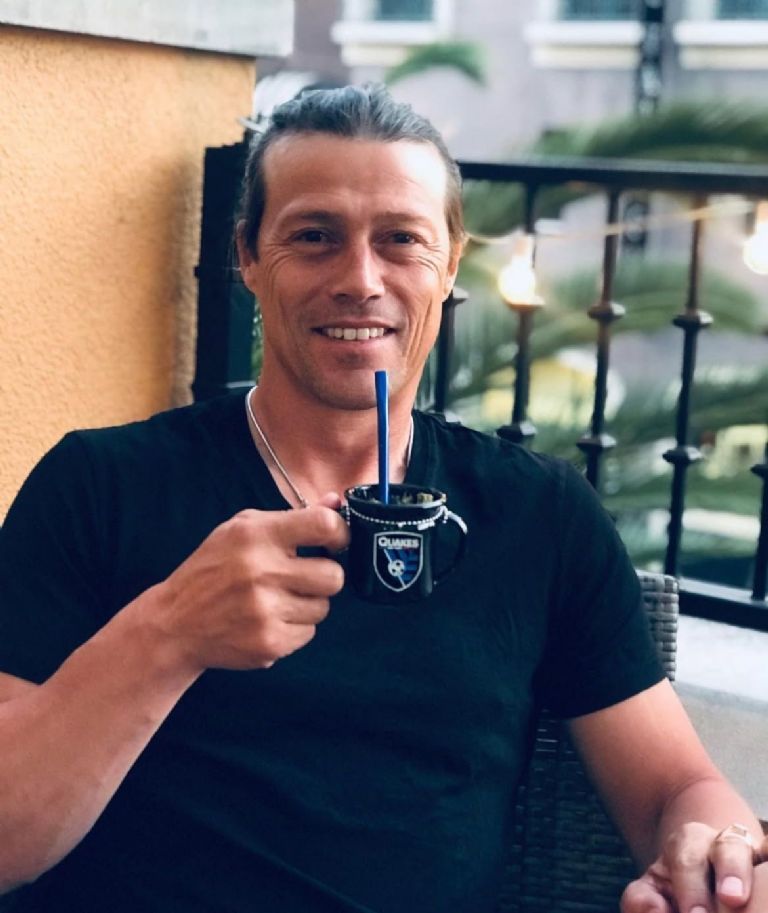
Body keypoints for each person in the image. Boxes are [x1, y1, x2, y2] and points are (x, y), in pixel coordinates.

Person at [0, 83, 765, 913]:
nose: (360, 280)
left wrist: (716, 853)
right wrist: (168, 633)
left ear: (450, 261)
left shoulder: (539, 515)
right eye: (315, 237)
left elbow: (675, 788)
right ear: (247, 256)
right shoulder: (99, 485)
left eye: (400, 239)